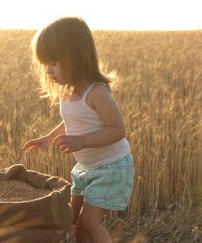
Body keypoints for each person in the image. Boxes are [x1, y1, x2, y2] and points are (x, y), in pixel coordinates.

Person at [22, 17, 134, 243]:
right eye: (45, 64)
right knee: (75, 220)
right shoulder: (68, 92)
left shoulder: (96, 92)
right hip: (87, 167)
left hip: (112, 167)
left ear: (76, 57)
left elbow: (117, 129)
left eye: (53, 62)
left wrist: (82, 141)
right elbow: (72, 123)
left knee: (90, 221)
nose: (48, 70)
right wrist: (48, 137)